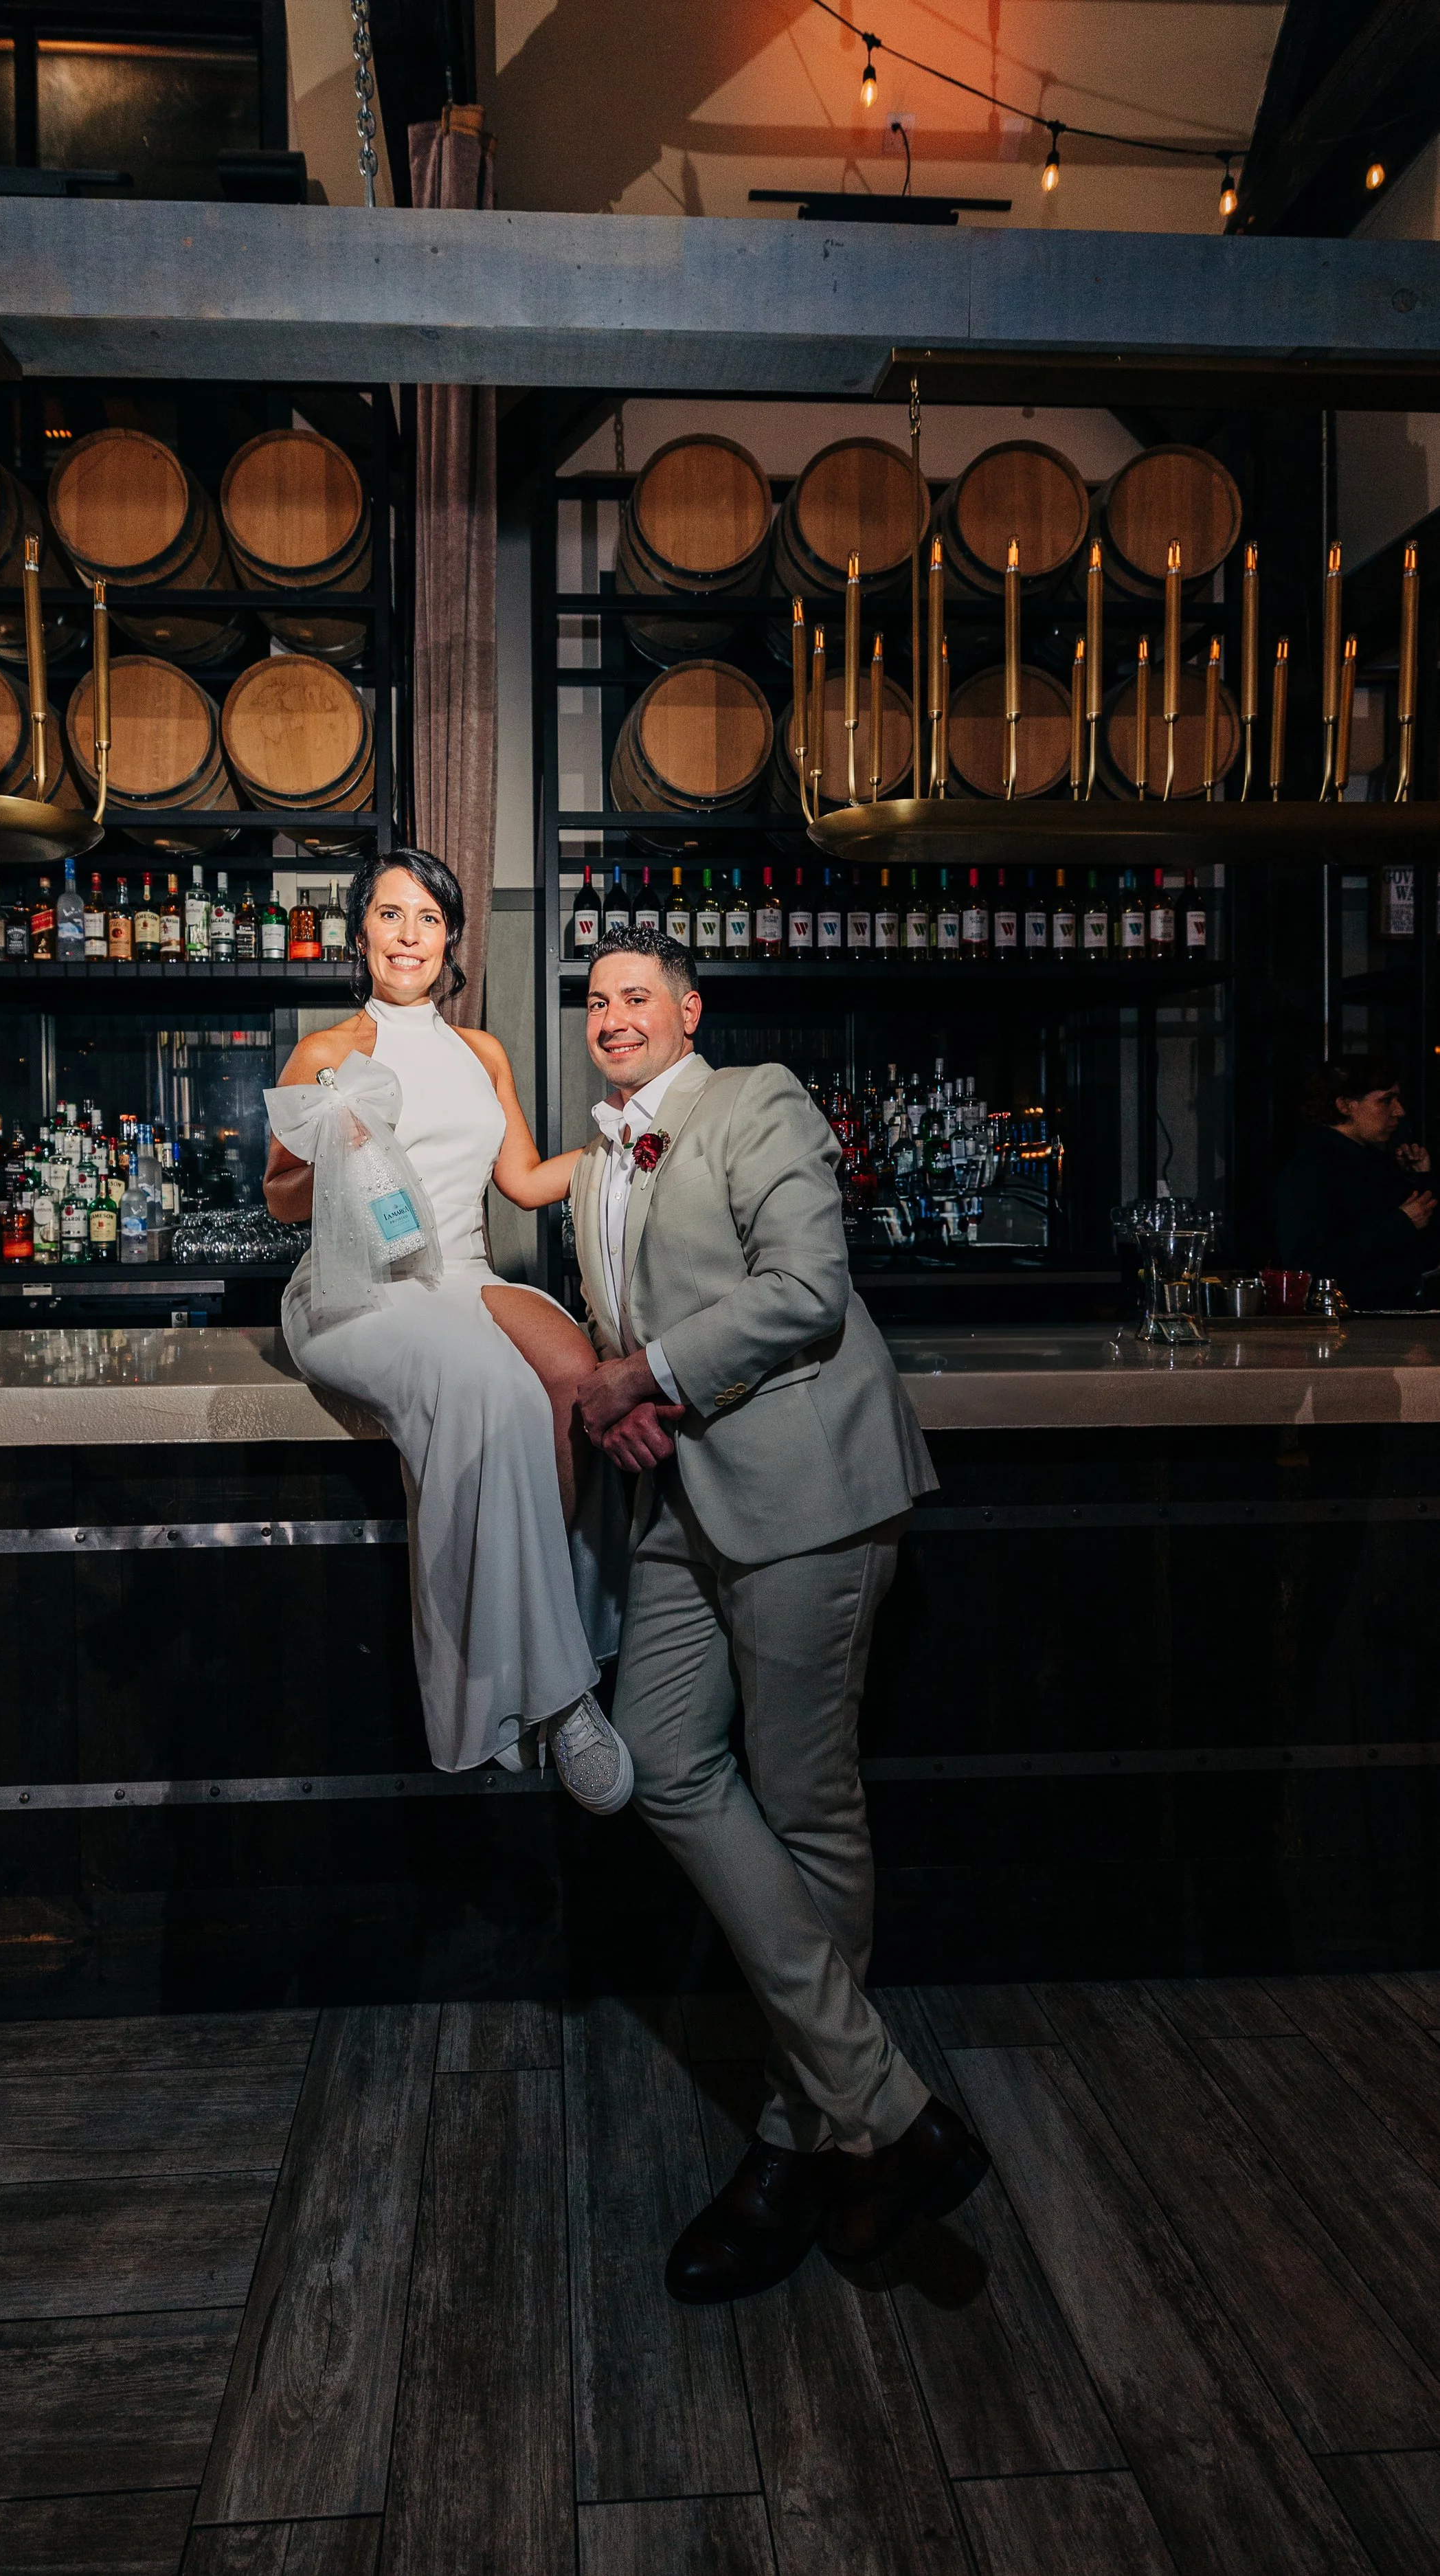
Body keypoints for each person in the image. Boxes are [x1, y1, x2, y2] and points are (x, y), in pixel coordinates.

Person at [569, 925, 989, 2302]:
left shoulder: (756, 1098)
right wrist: (633, 1398)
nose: (613, 1014)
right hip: (686, 1497)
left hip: (807, 1483)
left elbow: (807, 1291)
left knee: (807, 1797)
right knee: (660, 1754)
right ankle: (880, 2102)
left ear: (689, 1011)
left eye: (637, 995)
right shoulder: (594, 1166)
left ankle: (798, 2137)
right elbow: (620, 1338)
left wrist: (644, 1372)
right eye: (594, 999)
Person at [264, 849, 633, 1811]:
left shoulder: (484, 1053)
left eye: (428, 919)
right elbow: (278, 1200)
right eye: (391, 915)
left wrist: (628, 1143)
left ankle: (534, 1644)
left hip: (462, 1272)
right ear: (361, 933)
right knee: (492, 1386)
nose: (409, 936)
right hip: (360, 1283)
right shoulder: (327, 1052)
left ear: (450, 939)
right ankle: (551, 1699)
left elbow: (519, 1182)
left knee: (575, 1378)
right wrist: (333, 1152)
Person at [1274, 1055, 1438, 1310]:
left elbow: (1426, 1249)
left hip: (1394, 1317)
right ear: (1346, 1105)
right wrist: (1399, 1223)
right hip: (1351, 1323)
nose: (1399, 1111)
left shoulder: (1377, 1161)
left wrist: (1419, 1178)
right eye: (1385, 1100)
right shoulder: (1312, 1168)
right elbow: (1308, 1265)